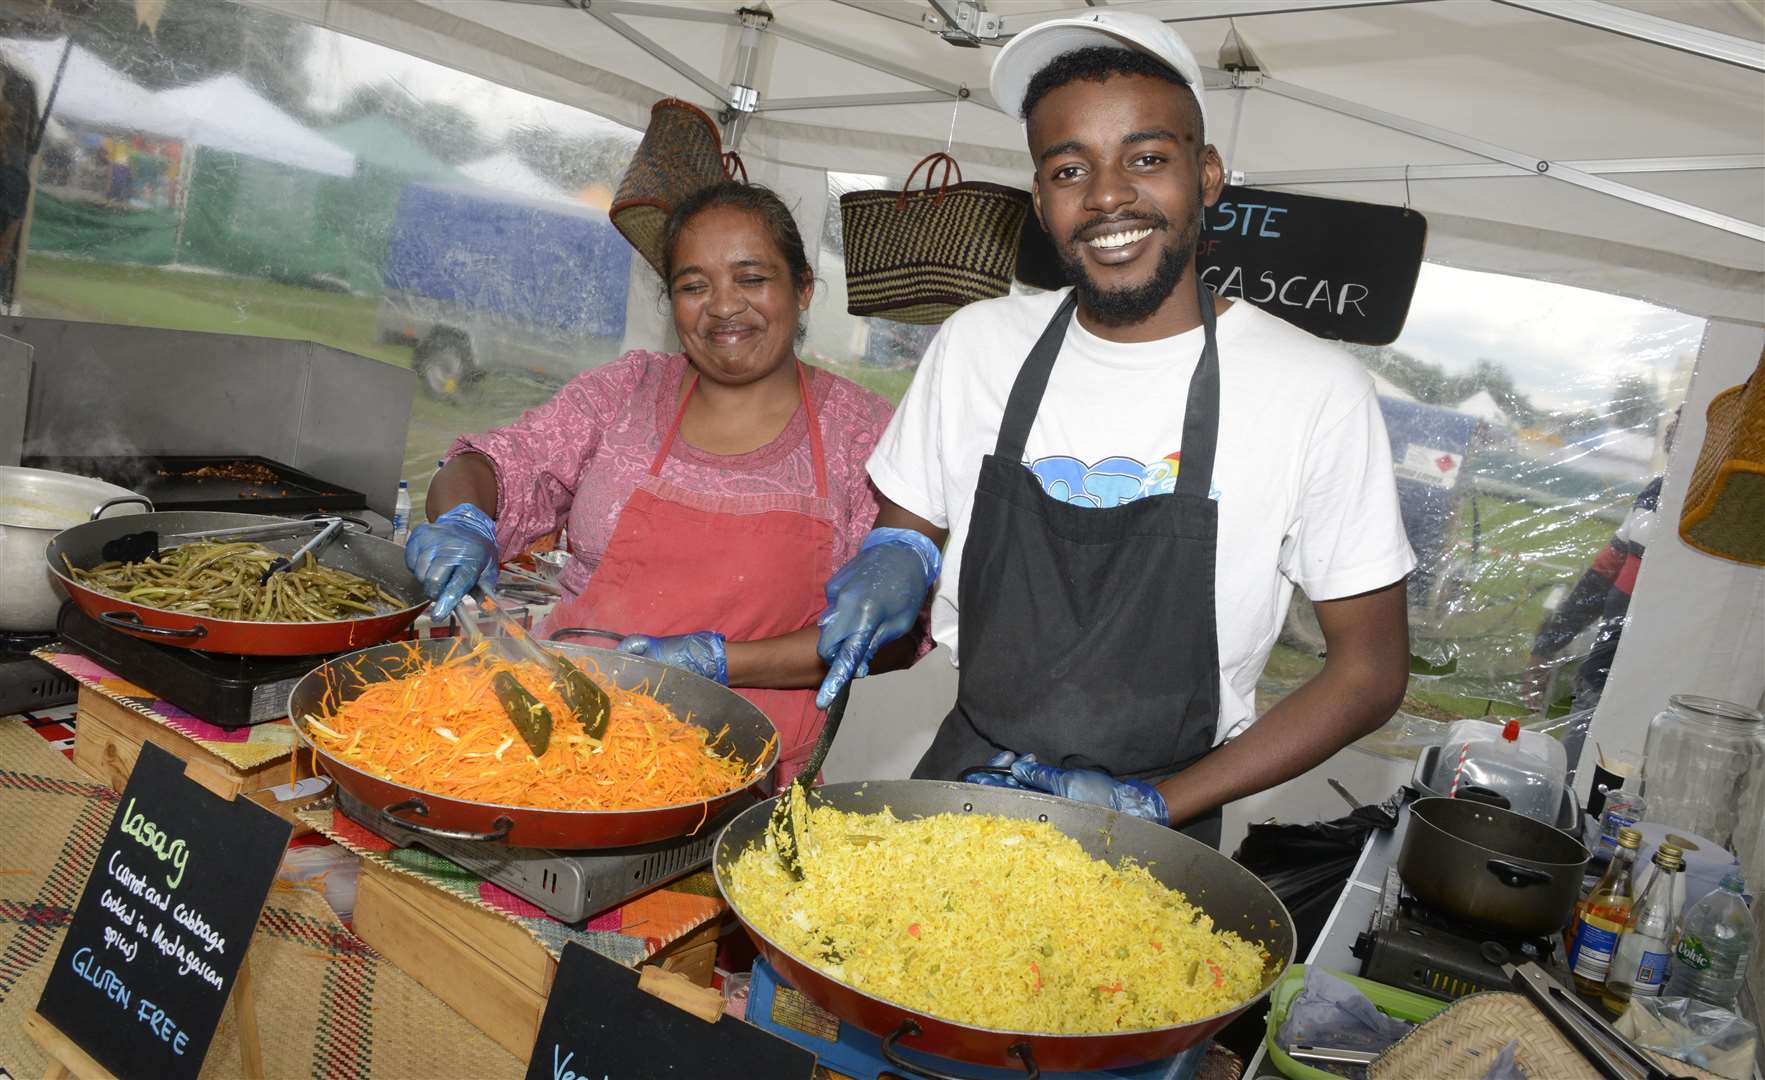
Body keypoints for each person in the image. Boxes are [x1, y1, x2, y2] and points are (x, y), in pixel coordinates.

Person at [814, 12, 1415, 847]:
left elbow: (1369, 672)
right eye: (1069, 168)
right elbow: (910, 524)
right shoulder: (978, 345)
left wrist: (1156, 809)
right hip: (967, 780)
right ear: (1038, 197)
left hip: (1163, 814)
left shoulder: (1315, 392)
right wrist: (896, 556)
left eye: (1146, 158)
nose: (1106, 196)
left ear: (1205, 175)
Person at [407, 181, 909, 784]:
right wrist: (462, 518)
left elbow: (887, 631)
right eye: (694, 286)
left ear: (802, 288)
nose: (723, 306)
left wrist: (726, 664)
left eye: (751, 279)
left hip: (741, 780)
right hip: (557, 747)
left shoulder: (863, 435)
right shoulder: (626, 392)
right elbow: (491, 465)